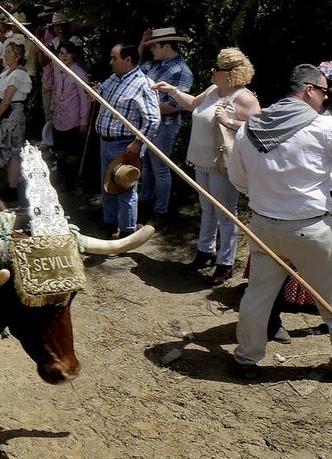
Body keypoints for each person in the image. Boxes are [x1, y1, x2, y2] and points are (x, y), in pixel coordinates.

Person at [228, 63, 332, 383]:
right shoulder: (322, 127)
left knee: (258, 294)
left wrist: (266, 198)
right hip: (310, 229)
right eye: (323, 92)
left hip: (264, 225)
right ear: (309, 90)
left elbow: (239, 178)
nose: (325, 99)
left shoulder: (250, 128)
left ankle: (246, 358)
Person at [154, 48, 259, 285]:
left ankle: (225, 263)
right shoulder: (213, 90)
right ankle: (205, 250)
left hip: (223, 164)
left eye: (217, 69)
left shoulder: (245, 98)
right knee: (207, 208)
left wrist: (229, 121)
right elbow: (192, 104)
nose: (212, 71)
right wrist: (172, 90)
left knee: (225, 213)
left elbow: (257, 131)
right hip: (201, 160)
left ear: (231, 74)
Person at [95, 43, 160, 239]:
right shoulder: (114, 79)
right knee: (107, 185)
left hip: (125, 144)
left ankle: (126, 231)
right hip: (105, 141)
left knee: (124, 187)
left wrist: (138, 143)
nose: (111, 62)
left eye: (114, 58)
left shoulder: (143, 84)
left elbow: (153, 119)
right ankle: (110, 223)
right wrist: (96, 92)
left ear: (128, 60)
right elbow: (101, 93)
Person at [138, 27, 194, 223]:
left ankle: (160, 211)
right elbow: (136, 71)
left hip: (165, 125)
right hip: (149, 125)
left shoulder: (181, 71)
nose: (151, 49)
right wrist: (142, 44)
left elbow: (173, 106)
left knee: (160, 167)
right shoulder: (154, 64)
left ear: (166, 46)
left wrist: (142, 107)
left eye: (154, 45)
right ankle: (146, 202)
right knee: (146, 165)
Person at [0, 40, 32, 200]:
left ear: (17, 56)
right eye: (5, 52)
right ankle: (10, 184)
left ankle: (13, 188)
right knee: (9, 151)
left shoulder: (18, 75)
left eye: (9, 53)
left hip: (12, 115)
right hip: (8, 114)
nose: (5, 55)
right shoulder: (8, 73)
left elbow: (6, 101)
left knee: (13, 152)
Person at [49, 37, 91, 190]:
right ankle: (60, 176)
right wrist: (52, 108)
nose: (64, 56)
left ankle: (70, 181)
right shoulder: (57, 68)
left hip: (73, 119)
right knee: (60, 150)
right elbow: (55, 90)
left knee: (72, 153)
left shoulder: (80, 74)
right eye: (61, 53)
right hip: (58, 117)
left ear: (73, 55)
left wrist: (83, 121)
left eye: (67, 54)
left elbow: (85, 100)